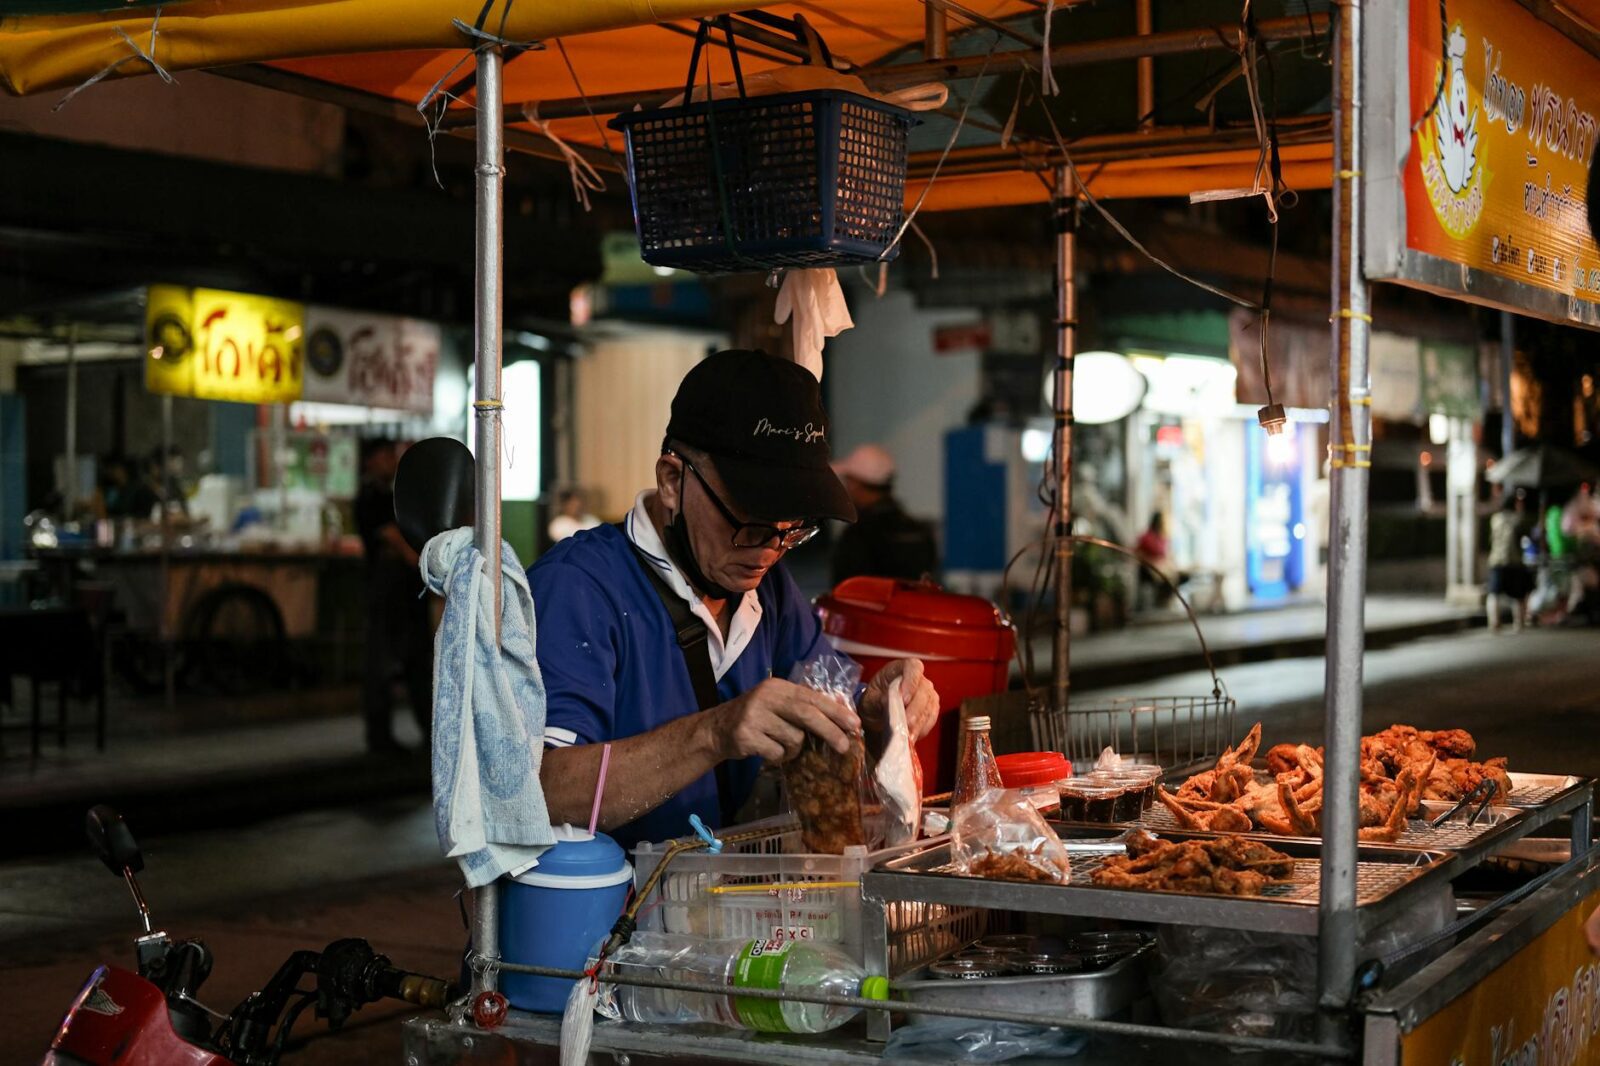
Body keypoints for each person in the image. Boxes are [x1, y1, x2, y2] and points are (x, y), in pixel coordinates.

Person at [528, 350, 940, 850]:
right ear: (673, 481)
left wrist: (874, 716)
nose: (769, 549)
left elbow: (832, 723)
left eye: (792, 530)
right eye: (750, 522)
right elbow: (543, 788)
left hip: (713, 906)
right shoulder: (577, 588)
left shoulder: (770, 589)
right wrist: (714, 733)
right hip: (601, 915)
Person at [354, 438, 431, 754]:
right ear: (371, 461)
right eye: (385, 456)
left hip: (407, 592)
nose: (390, 462)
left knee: (419, 666)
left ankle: (430, 734)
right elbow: (389, 535)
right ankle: (380, 739)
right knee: (382, 666)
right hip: (386, 593)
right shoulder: (370, 497)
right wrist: (414, 556)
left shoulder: (396, 495)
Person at [828, 443, 939, 585]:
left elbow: (845, 594)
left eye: (848, 481)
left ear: (856, 484)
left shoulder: (857, 535)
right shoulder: (919, 531)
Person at [1486, 491, 1533, 632]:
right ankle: (1519, 622)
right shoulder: (1517, 519)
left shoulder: (1495, 519)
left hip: (1496, 559)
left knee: (1494, 593)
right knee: (1517, 594)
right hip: (1514, 561)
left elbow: (1491, 539)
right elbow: (1525, 537)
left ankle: (1494, 622)